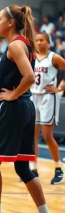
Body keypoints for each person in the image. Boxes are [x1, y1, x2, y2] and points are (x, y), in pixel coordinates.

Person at [0, 5, 48, 213]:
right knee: (22, 167)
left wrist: (13, 94)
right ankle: (44, 211)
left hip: (12, 108)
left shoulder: (15, 46)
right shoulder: (18, 45)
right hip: (25, 108)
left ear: (10, 23)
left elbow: (29, 77)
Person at [31, 32, 64, 184]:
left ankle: (58, 168)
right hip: (33, 96)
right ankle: (33, 168)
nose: (38, 42)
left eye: (41, 40)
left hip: (48, 97)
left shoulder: (54, 57)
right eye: (36, 40)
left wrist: (60, 88)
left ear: (48, 42)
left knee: (47, 135)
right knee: (32, 135)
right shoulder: (31, 57)